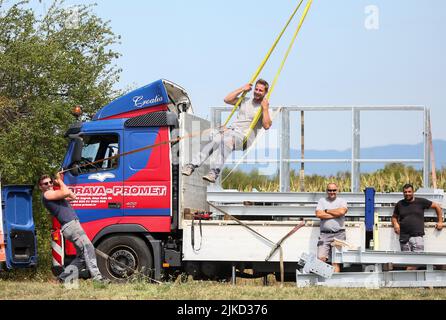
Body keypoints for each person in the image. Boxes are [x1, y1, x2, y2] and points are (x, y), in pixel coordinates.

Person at [182, 79, 272, 183]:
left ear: (265, 92)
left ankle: (214, 172)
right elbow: (227, 99)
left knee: (227, 141)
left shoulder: (264, 108)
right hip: (232, 131)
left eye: (260, 90)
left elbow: (267, 125)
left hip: (244, 138)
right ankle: (192, 165)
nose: (257, 92)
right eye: (256, 89)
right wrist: (242, 89)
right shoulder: (245, 101)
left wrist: (265, 108)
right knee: (215, 139)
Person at [38, 173, 107, 283]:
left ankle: (62, 278)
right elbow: (65, 192)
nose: (49, 184)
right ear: (41, 187)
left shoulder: (56, 195)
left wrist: (60, 183)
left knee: (82, 258)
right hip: (70, 225)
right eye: (46, 183)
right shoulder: (47, 194)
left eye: (51, 182)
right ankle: (98, 279)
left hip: (72, 225)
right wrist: (59, 181)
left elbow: (72, 196)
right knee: (88, 248)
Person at [392, 183, 443, 270]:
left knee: (418, 260)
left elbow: (437, 206)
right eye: (405, 192)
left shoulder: (421, 202)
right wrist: (396, 224)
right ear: (403, 193)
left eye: (409, 192)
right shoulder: (400, 204)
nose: (407, 194)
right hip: (404, 237)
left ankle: (409, 277)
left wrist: (440, 222)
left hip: (417, 236)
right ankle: (411, 280)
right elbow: (394, 217)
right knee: (406, 261)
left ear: (413, 192)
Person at [315, 183, 348, 273]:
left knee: (335, 261)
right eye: (330, 190)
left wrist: (327, 211)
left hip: (339, 234)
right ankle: (322, 280)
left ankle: (334, 282)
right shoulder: (322, 201)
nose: (332, 192)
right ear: (327, 191)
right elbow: (318, 214)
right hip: (325, 234)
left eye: (334, 190)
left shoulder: (342, 201)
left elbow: (341, 212)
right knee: (321, 258)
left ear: (337, 190)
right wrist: (335, 215)